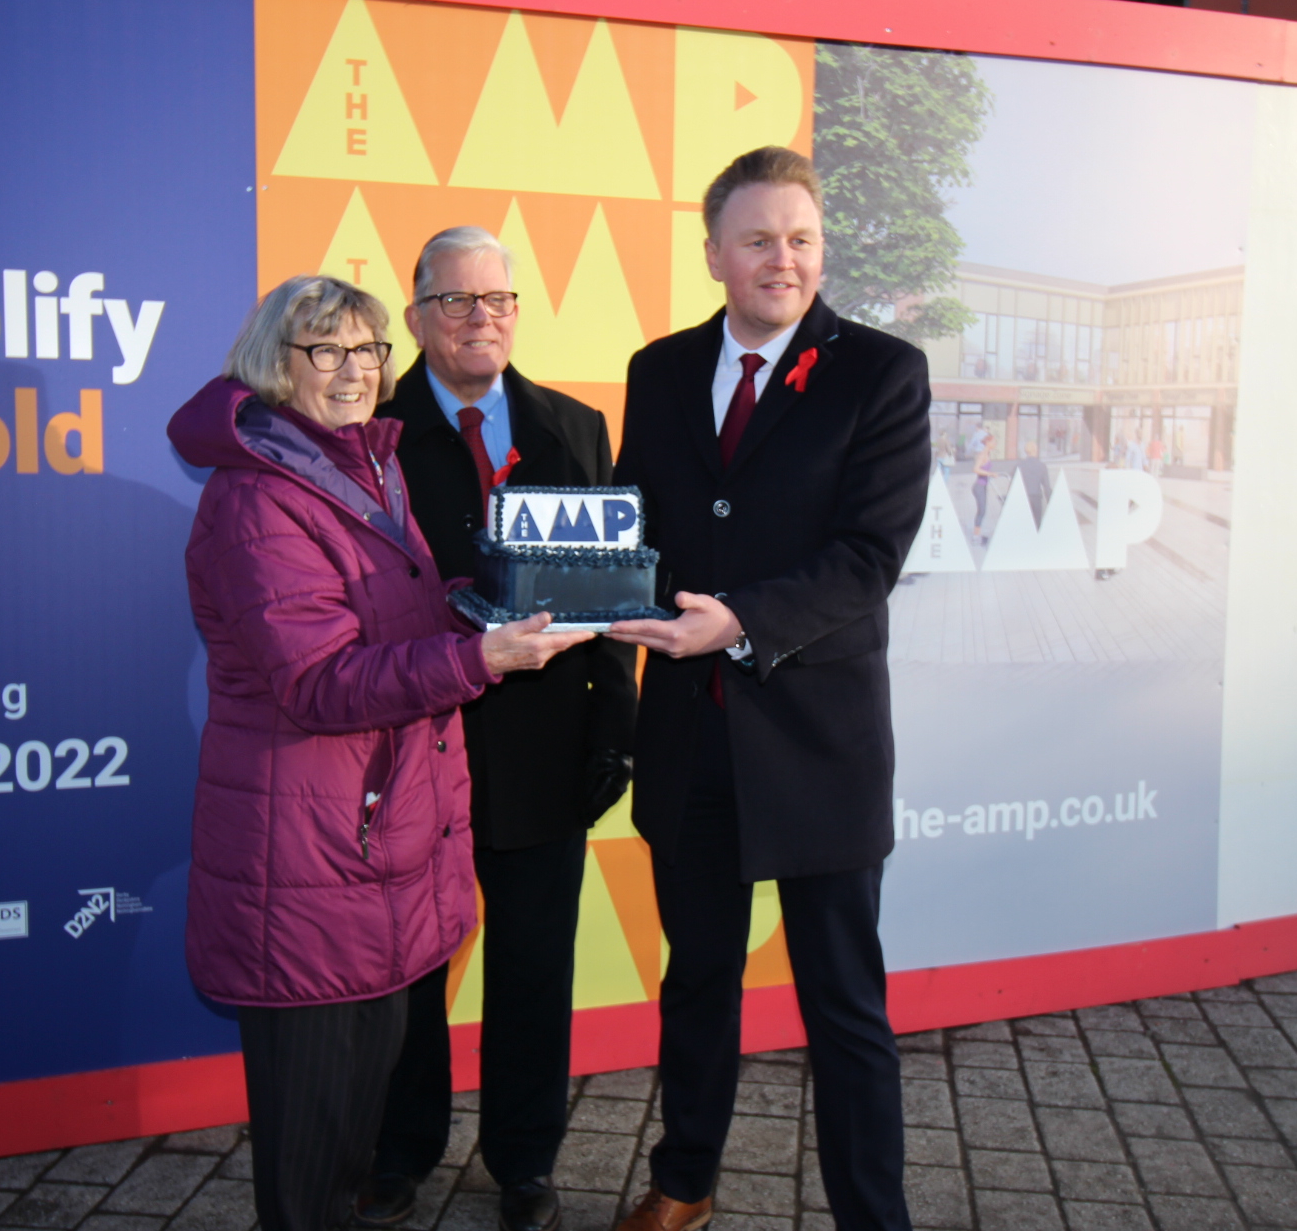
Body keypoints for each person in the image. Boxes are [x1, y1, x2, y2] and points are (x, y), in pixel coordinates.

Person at [165, 275, 590, 1231]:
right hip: (307, 865)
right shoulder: (258, 500)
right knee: (314, 1166)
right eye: (326, 351)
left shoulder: (361, 465)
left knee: (350, 1142)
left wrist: (480, 606)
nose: (354, 371)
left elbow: (392, 617)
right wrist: (481, 656)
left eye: (366, 351)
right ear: (277, 365)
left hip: (365, 854)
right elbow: (317, 683)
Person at [607, 146, 929, 1231]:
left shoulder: (882, 372)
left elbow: (868, 555)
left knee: (843, 1004)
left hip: (817, 743)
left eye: (800, 237)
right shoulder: (657, 370)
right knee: (696, 982)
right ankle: (684, 1180)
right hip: (689, 739)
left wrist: (738, 621)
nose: (782, 259)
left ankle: (871, 1216)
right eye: (758, 239)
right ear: (714, 253)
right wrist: (578, 585)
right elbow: (632, 528)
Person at [357, 229, 638, 1231]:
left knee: (532, 964)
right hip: (415, 745)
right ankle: (402, 1149)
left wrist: (617, 721)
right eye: (458, 301)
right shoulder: (373, 438)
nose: (482, 319)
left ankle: (524, 1160)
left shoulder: (575, 427)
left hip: (545, 751)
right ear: (418, 313)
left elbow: (608, 597)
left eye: (499, 300)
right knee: (410, 971)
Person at [1014, 439, 1051, 524]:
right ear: (1036, 450)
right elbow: (1047, 487)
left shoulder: (1019, 465)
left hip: (1023, 498)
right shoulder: (1042, 466)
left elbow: (1013, 485)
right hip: (1036, 498)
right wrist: (1050, 502)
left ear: (1026, 451)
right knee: (1037, 523)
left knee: (1024, 523)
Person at [971, 430, 995, 543]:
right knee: (981, 511)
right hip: (979, 487)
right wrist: (990, 474)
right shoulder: (983, 454)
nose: (995, 444)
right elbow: (976, 469)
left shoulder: (987, 453)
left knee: (983, 511)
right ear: (988, 443)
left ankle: (977, 534)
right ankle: (976, 537)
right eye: (993, 442)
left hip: (983, 486)